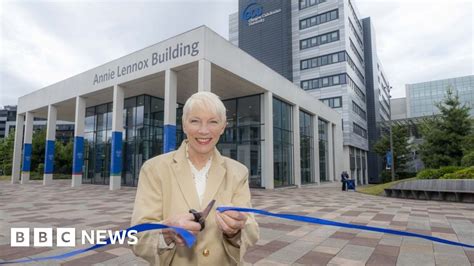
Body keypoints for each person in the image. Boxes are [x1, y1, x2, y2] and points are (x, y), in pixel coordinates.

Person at [131, 91, 259, 265]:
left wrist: (235, 231)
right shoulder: (154, 169)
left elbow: (251, 231)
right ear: (184, 125)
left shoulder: (238, 172)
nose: (203, 130)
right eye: (195, 121)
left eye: (213, 122)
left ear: (223, 127)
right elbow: (137, 237)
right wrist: (165, 233)